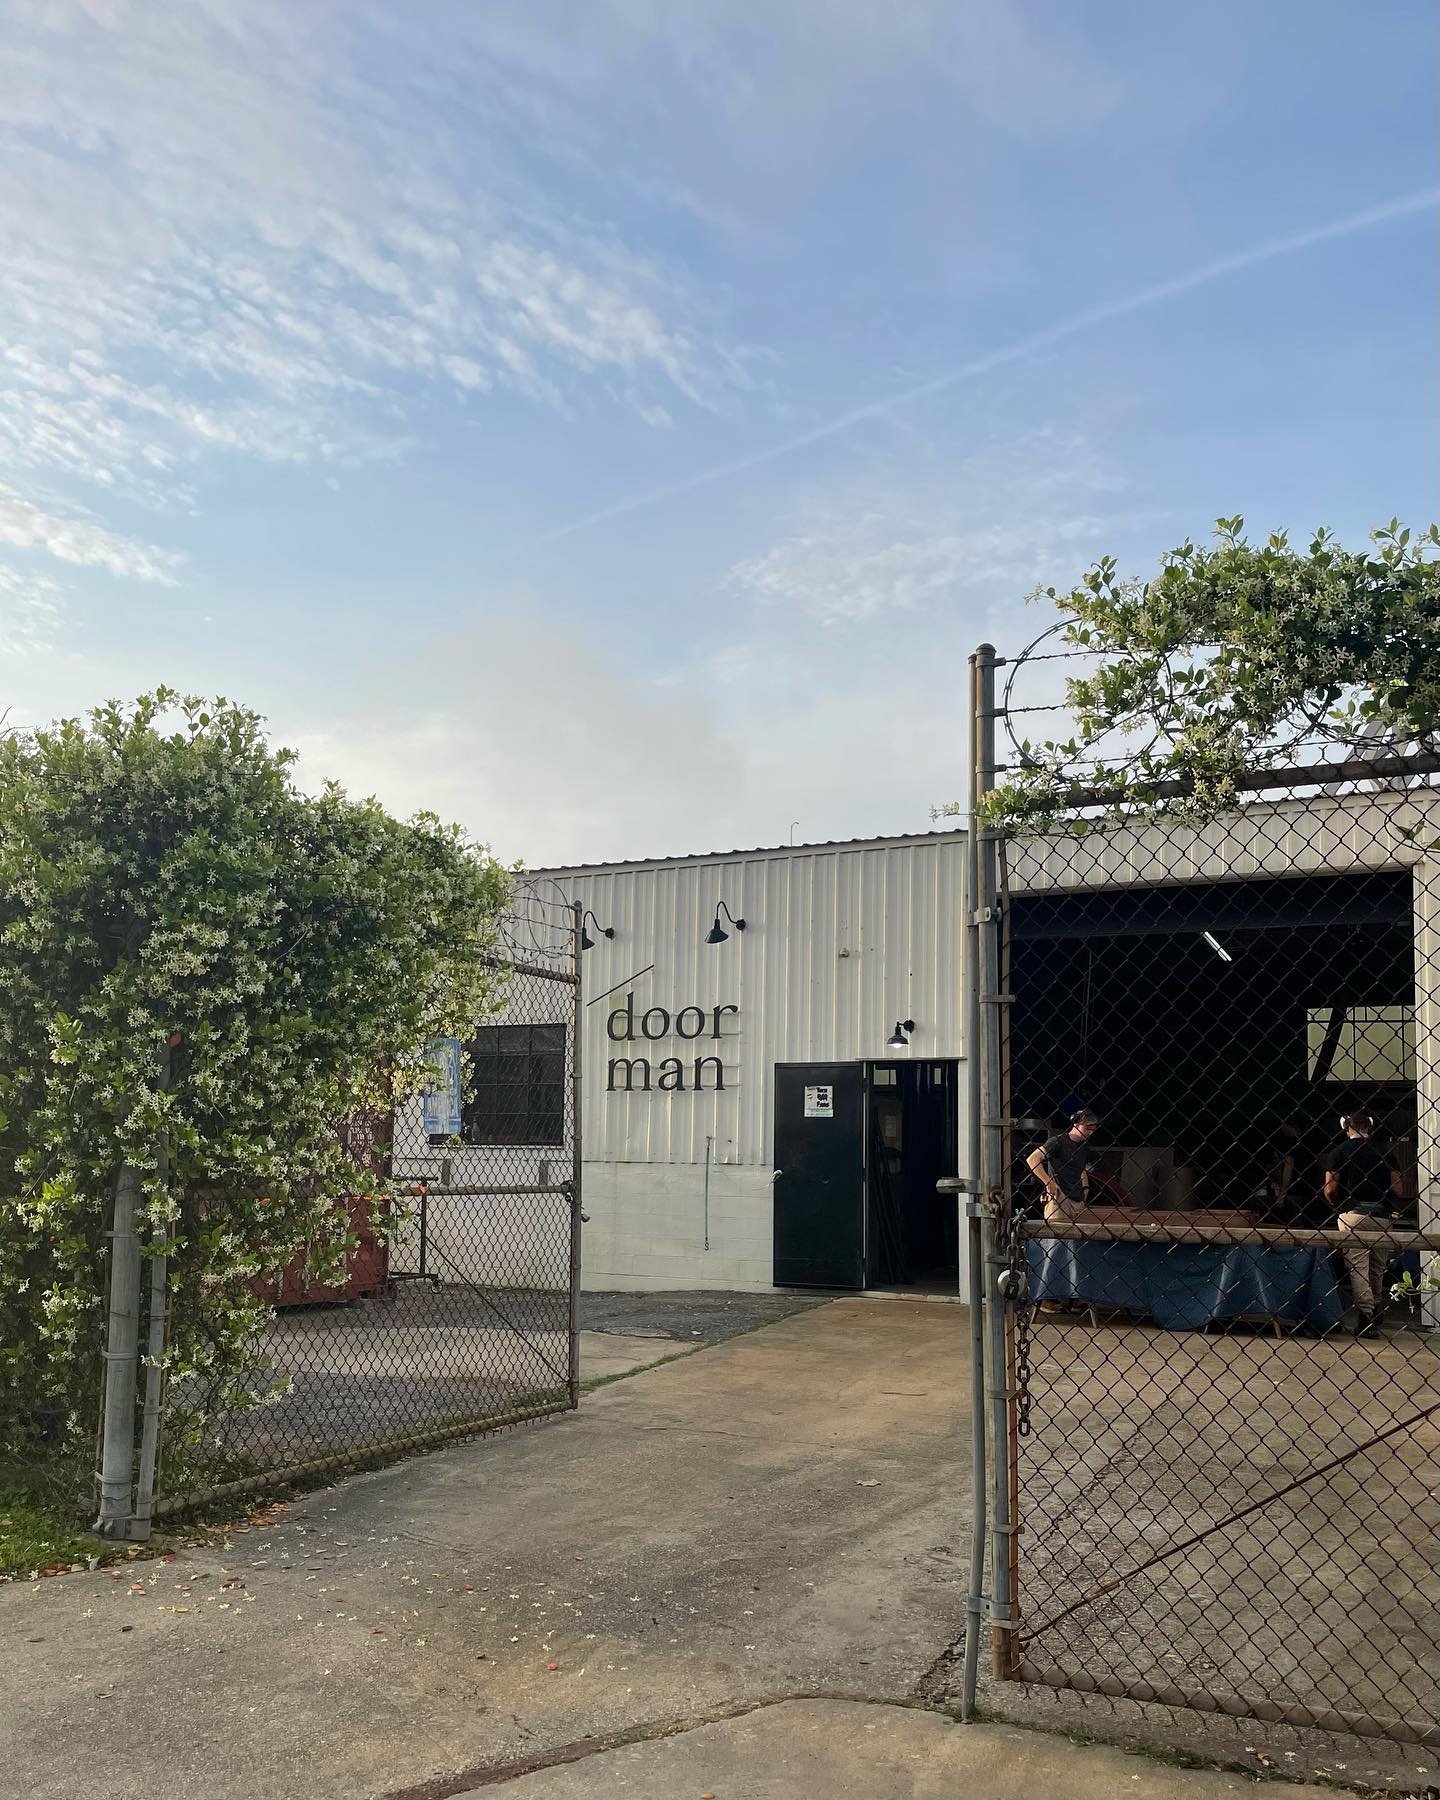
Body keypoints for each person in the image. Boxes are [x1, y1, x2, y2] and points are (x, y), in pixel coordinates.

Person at [1324, 1110, 1404, 1337]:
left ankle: (1366, 1316)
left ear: (1345, 1126)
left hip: (1354, 1215)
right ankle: (1377, 1306)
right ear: (1370, 1127)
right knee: (1378, 1266)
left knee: (1357, 1266)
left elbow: (1330, 1189)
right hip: (1382, 1217)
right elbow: (1399, 1188)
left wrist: (1338, 1205)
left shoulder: (1338, 1152)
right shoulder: (1385, 1152)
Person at [1027, 1109, 1102, 1221]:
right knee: (1058, 1235)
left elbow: (1081, 1169)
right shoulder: (1058, 1141)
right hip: (1060, 1198)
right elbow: (1032, 1159)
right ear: (1076, 1124)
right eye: (1087, 1128)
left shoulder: (1084, 1147)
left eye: (1093, 1130)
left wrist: (1085, 1190)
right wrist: (1048, 1183)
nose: (1090, 1133)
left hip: (1078, 1201)